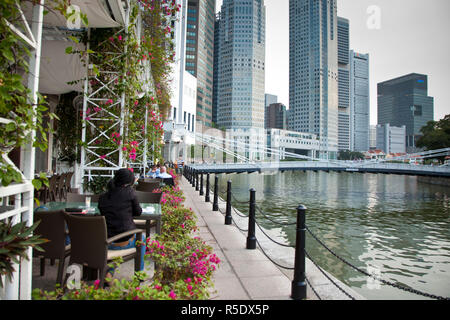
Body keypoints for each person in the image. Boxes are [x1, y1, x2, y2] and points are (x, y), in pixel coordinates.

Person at [98, 168, 145, 284]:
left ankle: (109, 272)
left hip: (104, 242)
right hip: (123, 241)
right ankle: (139, 274)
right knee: (142, 238)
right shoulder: (130, 193)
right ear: (130, 181)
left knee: (116, 236)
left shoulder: (103, 197)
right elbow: (138, 212)